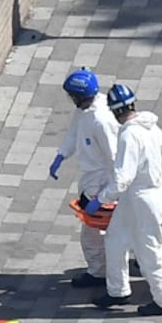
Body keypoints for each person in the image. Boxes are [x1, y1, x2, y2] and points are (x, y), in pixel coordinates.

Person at [87, 84, 162, 316]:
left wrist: (101, 198)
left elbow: (122, 179)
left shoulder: (129, 134)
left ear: (115, 111)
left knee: (150, 250)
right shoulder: (151, 127)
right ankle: (118, 290)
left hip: (141, 197)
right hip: (142, 194)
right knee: (115, 238)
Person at [49, 68, 119, 289]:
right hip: (94, 181)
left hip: (101, 184)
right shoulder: (86, 111)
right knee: (111, 231)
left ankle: (99, 273)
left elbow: (115, 158)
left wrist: (108, 194)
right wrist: (62, 154)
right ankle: (110, 268)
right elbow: (74, 132)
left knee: (92, 235)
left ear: (79, 96)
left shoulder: (101, 119)